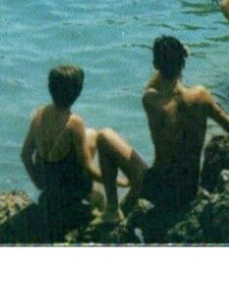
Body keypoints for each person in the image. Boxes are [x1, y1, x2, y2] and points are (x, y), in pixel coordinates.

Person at [139, 36, 229, 217]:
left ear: (156, 65)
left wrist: (172, 60)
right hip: (188, 189)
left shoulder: (150, 100)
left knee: (107, 138)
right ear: (182, 63)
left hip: (159, 186)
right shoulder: (200, 96)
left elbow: (152, 85)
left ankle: (113, 212)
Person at [20, 65, 147, 233]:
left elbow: (25, 155)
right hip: (72, 190)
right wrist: (118, 182)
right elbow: (88, 169)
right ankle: (107, 212)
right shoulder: (74, 123)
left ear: (50, 87)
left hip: (50, 185)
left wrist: (38, 181)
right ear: (77, 92)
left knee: (91, 134)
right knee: (99, 194)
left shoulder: (39, 114)